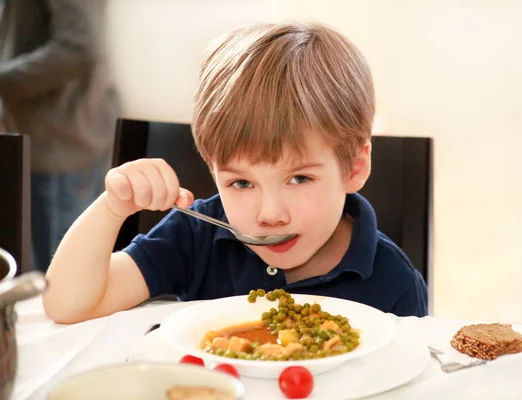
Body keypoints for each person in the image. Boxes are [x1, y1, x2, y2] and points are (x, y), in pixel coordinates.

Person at [42, 22, 427, 324]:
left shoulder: (394, 282)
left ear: (355, 168)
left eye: (300, 178)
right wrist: (113, 207)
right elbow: (68, 305)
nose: (269, 213)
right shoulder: (198, 236)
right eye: (241, 183)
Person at [0, 0, 121, 272]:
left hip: (63, 142)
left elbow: (78, 48)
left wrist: (4, 82)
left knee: (61, 275)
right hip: (48, 136)